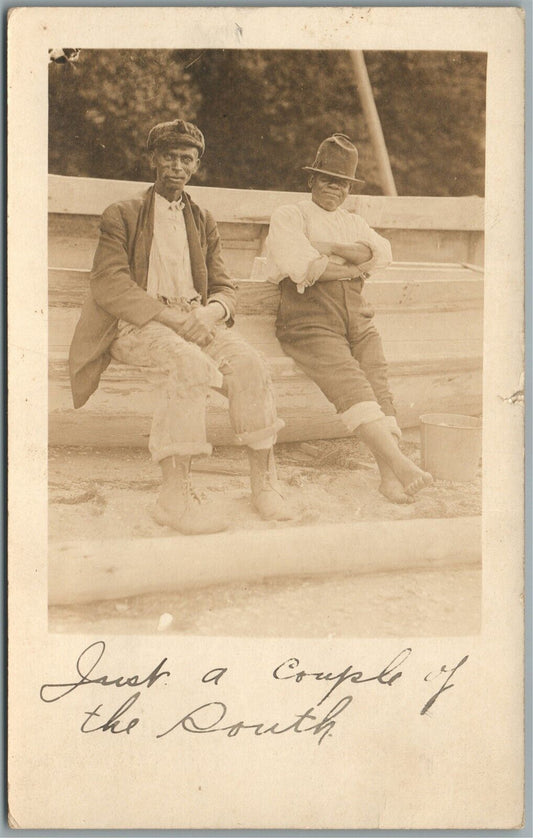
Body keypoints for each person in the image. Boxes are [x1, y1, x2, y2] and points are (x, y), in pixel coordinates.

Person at [69, 118, 292, 534]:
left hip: (195, 319)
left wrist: (211, 313)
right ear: (152, 159)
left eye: (186, 159)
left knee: (250, 364)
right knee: (189, 366)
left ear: (196, 166)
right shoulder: (122, 214)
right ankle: (174, 498)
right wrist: (172, 318)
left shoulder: (203, 219)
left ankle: (264, 485)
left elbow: (225, 286)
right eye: (168, 157)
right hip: (137, 324)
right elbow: (109, 282)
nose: (176, 166)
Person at [265, 133, 432, 504]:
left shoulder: (352, 222)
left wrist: (336, 251)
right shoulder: (289, 216)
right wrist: (354, 266)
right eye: (327, 179)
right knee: (351, 384)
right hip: (309, 322)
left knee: (378, 383)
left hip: (357, 320)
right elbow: (304, 267)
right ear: (311, 180)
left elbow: (382, 254)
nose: (334, 189)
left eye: (342, 183)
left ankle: (389, 477)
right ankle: (400, 466)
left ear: (348, 189)